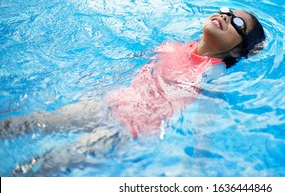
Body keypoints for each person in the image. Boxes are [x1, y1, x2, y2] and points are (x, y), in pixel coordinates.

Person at [0, 7, 266, 140]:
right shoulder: (172, 45)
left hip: (130, 128)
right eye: (225, 11)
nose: (225, 16)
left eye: (237, 23)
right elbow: (128, 67)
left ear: (238, 51)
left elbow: (206, 117)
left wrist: (196, 159)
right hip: (110, 102)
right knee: (26, 124)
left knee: (49, 165)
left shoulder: (213, 72)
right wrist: (94, 86)